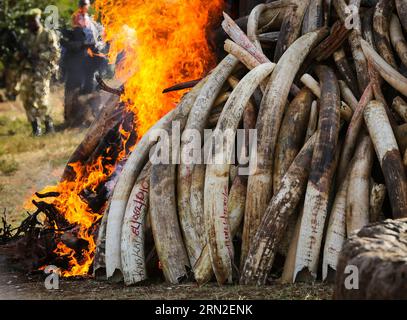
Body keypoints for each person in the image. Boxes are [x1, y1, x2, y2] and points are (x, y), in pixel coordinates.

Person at [61, 0, 107, 126]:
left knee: (91, 86)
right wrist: (82, 45)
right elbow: (67, 42)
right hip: (76, 61)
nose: (83, 7)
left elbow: (97, 38)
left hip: (89, 61)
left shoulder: (90, 21)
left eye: (85, 4)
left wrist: (97, 46)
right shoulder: (75, 19)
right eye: (82, 5)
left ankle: (91, 115)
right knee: (73, 88)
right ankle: (71, 118)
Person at [18, 8, 60, 136]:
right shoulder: (24, 36)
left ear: (38, 19)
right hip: (27, 72)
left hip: (42, 72)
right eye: (29, 21)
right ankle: (35, 127)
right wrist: (20, 55)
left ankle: (49, 125)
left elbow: (55, 53)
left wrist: (39, 56)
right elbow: (18, 55)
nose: (31, 23)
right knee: (27, 99)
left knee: (42, 99)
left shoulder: (47, 34)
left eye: (33, 20)